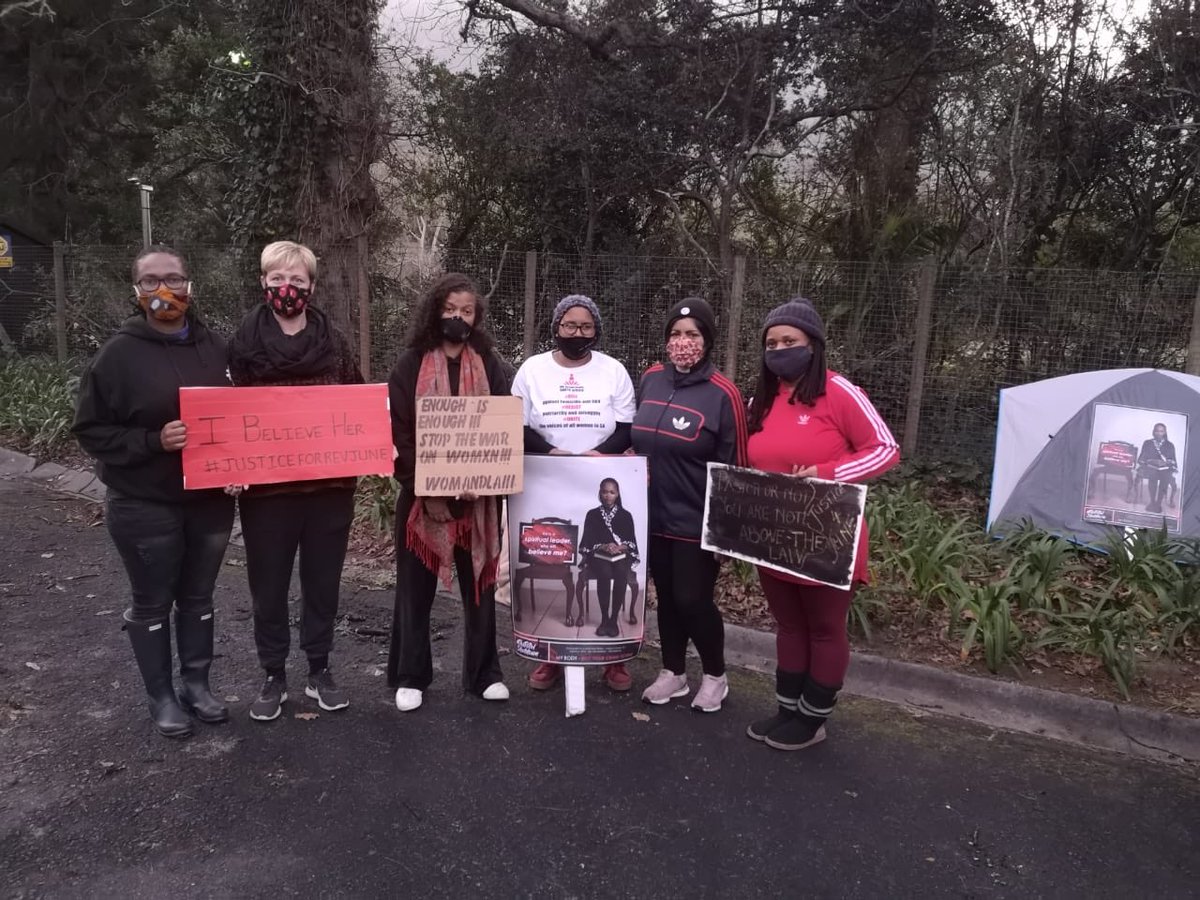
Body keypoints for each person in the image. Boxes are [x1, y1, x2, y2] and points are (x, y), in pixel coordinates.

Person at [73, 245, 235, 739]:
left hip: (209, 501)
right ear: (136, 292)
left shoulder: (217, 348)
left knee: (198, 595)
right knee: (152, 600)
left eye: (174, 279)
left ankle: (196, 685)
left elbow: (242, 416)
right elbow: (90, 429)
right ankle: (161, 695)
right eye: (150, 281)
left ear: (191, 286)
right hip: (144, 502)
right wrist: (152, 440)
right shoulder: (117, 355)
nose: (164, 290)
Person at [744, 298, 899, 751]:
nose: (779, 350)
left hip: (828, 533)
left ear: (813, 346)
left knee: (824, 628)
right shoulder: (761, 400)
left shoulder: (840, 392)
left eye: (789, 341)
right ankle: (787, 709)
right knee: (789, 626)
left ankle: (814, 718)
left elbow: (884, 448)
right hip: (774, 534)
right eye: (771, 343)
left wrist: (828, 473)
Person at [228, 240, 363, 721]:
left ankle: (319, 670)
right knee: (268, 586)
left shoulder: (336, 343)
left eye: (298, 280)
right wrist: (228, 467)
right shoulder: (243, 345)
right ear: (263, 283)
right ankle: (273, 675)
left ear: (311, 285)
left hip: (328, 490)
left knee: (322, 584)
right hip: (267, 495)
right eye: (278, 279)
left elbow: (357, 406)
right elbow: (226, 416)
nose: (288, 288)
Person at [387, 273, 511, 712]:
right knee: (414, 589)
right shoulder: (409, 364)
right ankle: (410, 675)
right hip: (423, 501)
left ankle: (485, 674)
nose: (458, 318)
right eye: (450, 309)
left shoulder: (491, 363)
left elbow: (502, 427)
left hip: (478, 504)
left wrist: (488, 478)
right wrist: (424, 481)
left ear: (477, 318)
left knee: (479, 587)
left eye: (467, 311)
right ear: (434, 310)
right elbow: (398, 432)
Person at [512, 294, 637, 693]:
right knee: (551, 560)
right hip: (544, 483)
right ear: (556, 327)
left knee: (613, 566)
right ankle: (550, 654)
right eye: (570, 325)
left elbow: (626, 427)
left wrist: (600, 454)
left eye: (585, 327)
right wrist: (552, 452)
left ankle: (612, 658)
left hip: (602, 481)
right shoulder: (532, 370)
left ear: (596, 330)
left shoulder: (613, 370)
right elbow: (516, 423)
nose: (577, 333)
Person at [632, 298, 747, 713]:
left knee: (692, 599)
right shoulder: (650, 380)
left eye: (692, 335)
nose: (683, 343)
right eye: (676, 335)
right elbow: (633, 438)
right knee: (665, 596)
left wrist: (726, 534)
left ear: (707, 340)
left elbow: (736, 467)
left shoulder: (723, 394)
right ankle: (673, 673)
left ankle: (716, 676)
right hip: (651, 517)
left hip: (697, 522)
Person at [578, 478, 639, 637]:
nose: (608, 495)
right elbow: (588, 540)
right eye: (605, 492)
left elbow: (631, 541)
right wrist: (604, 546)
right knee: (603, 573)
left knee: (620, 572)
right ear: (600, 493)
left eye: (612, 492)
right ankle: (604, 618)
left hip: (620, 555)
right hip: (599, 555)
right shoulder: (592, 514)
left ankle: (613, 620)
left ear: (617, 494)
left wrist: (620, 547)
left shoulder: (625, 515)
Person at [1137, 423, 1178, 514]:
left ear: (1165, 432)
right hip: (1151, 468)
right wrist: (1148, 461)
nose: (1159, 433)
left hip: (1165, 469)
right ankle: (1152, 502)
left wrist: (1167, 462)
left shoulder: (1169, 445)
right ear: (1154, 432)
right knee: (1153, 475)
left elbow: (1173, 460)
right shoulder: (1147, 443)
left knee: (1165, 477)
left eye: (1161, 431)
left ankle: (1158, 503)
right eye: (1157, 431)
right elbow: (1142, 457)